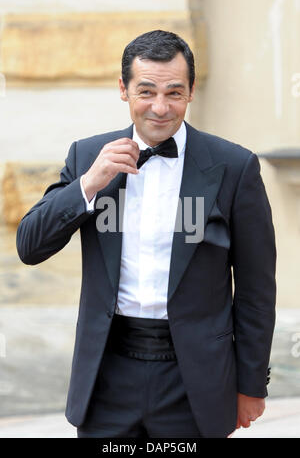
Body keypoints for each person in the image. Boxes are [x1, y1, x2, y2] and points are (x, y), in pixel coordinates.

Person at [16, 30, 276, 438]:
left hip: (194, 379)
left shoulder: (234, 167)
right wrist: (87, 184)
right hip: (107, 374)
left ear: (190, 93)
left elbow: (256, 289)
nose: (160, 107)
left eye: (174, 92)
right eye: (147, 91)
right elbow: (29, 245)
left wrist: (251, 383)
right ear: (123, 89)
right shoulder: (88, 156)